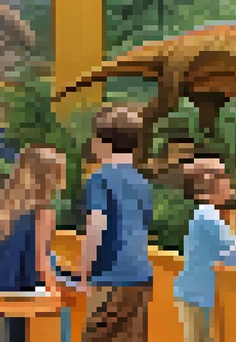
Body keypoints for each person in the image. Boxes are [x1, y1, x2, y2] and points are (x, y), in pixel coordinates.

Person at [77, 105, 154, 342]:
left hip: (110, 277)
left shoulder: (99, 179)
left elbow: (96, 226)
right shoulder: (142, 182)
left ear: (103, 143)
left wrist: (84, 271)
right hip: (141, 277)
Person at [0, 144, 69, 342]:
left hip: (9, 287)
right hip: (33, 288)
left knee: (17, 334)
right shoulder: (43, 212)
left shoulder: (6, 208)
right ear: (49, 180)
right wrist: (57, 293)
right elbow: (41, 261)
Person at [172, 156, 236, 342]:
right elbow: (235, 255)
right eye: (224, 176)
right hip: (198, 296)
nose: (229, 182)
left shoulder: (207, 215)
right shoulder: (208, 216)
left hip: (198, 295)